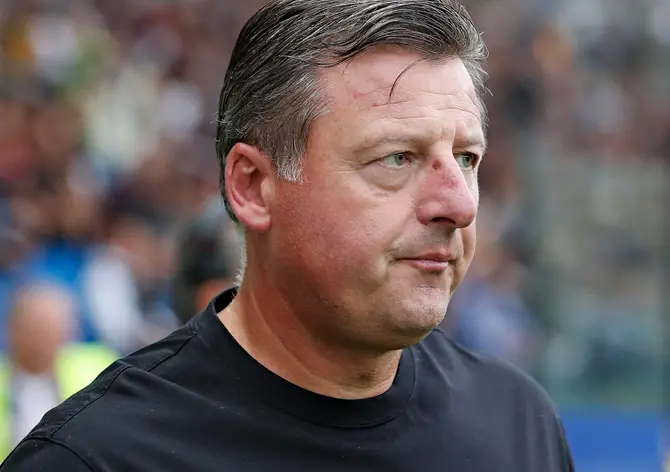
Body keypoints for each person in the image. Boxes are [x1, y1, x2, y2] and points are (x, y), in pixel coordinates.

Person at [1, 1, 576, 470]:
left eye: (466, 158)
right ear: (252, 186)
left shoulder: (519, 425)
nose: (458, 204)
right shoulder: (96, 459)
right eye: (397, 158)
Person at [0, 283, 117, 457]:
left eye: (55, 327)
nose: (46, 339)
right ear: (13, 330)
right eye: (38, 328)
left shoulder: (99, 366)